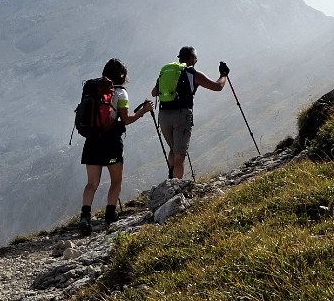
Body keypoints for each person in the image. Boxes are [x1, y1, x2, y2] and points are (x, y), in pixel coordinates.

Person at [80, 57, 153, 235]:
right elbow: (126, 119)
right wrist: (143, 111)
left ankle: (85, 216)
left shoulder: (94, 90)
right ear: (122, 74)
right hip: (111, 141)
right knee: (116, 180)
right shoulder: (121, 93)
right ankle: (110, 214)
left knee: (92, 183)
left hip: (91, 141)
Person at [152, 45, 228, 180]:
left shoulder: (167, 72)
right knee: (179, 154)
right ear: (193, 59)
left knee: (173, 148)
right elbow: (217, 87)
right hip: (181, 115)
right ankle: (176, 186)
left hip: (163, 116)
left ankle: (171, 177)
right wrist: (223, 75)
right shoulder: (194, 75)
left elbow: (154, 92)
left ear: (180, 58)